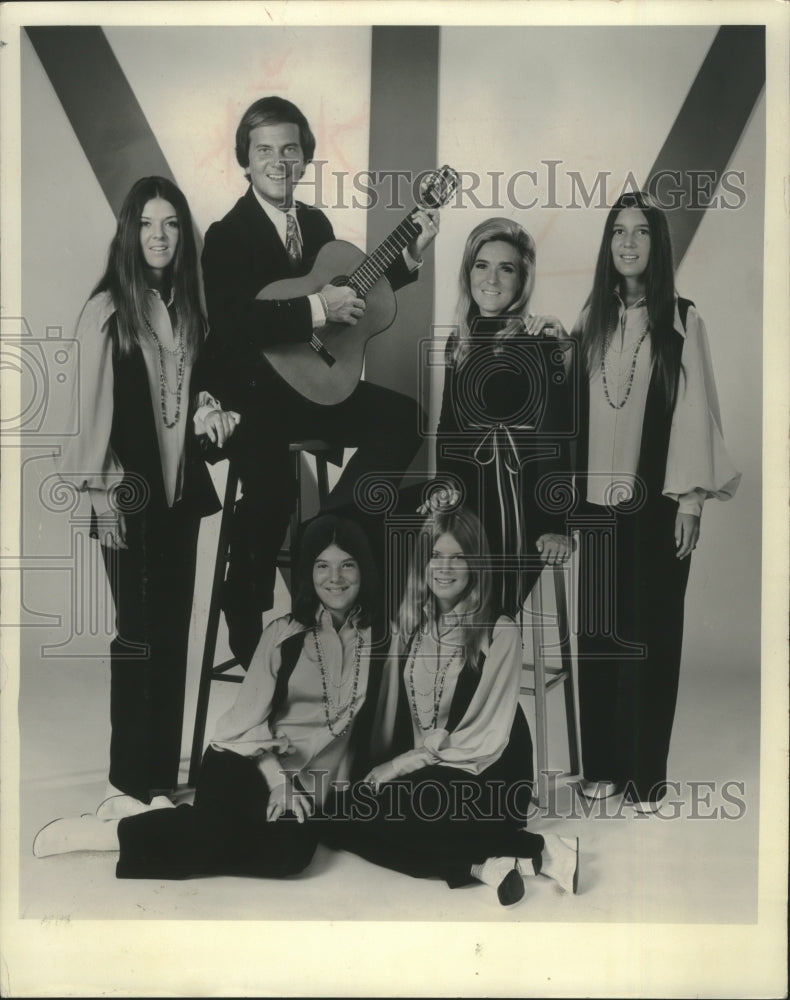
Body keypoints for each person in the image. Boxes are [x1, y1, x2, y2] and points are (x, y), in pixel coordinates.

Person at [200, 95, 440, 669]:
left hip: (313, 388)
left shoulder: (315, 225)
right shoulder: (225, 234)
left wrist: (405, 261)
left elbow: (351, 298)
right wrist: (315, 308)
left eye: (290, 149)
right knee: (274, 489)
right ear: (246, 159)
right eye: (265, 151)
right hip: (252, 396)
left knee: (402, 417)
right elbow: (237, 324)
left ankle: (333, 530)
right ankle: (246, 594)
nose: (279, 161)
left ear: (305, 158)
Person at [33, 515, 384, 880]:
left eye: (348, 565)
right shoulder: (285, 635)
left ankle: (159, 819)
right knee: (229, 831)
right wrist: (280, 783)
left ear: (365, 569)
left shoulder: (382, 641)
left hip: (313, 783)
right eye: (322, 566)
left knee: (288, 856)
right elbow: (241, 728)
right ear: (309, 574)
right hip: (246, 761)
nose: (335, 578)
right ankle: (109, 834)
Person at [54, 176, 239, 814]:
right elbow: (89, 412)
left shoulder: (191, 308)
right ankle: (127, 780)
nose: (158, 236)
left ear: (182, 235)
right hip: (125, 497)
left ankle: (162, 774)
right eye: (147, 225)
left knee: (172, 633)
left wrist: (213, 409)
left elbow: (194, 394)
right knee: (135, 635)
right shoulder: (108, 308)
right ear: (129, 234)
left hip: (180, 495)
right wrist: (101, 498)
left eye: (170, 225)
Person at [570, 191, 740, 812]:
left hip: (658, 502)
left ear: (657, 245)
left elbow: (697, 413)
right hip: (597, 504)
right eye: (619, 231)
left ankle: (644, 777)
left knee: (651, 634)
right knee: (597, 634)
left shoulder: (683, 319)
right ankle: (603, 769)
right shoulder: (592, 319)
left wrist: (691, 501)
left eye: (641, 232)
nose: (628, 243)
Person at [322, 508, 579, 906]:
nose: (445, 567)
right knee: (340, 813)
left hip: (486, 770)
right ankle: (495, 864)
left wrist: (399, 767)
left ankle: (531, 844)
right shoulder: (411, 624)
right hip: (429, 770)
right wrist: (368, 765)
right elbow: (391, 710)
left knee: (406, 809)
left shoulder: (500, 629)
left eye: (458, 557)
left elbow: (482, 739)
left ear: (475, 564)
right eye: (435, 556)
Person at [428, 218, 573, 617]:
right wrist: (445, 490)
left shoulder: (540, 340)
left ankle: (485, 670)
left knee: (487, 611)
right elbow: (449, 429)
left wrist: (556, 523)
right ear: (467, 273)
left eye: (505, 268)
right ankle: (432, 672)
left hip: (522, 507)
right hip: (468, 499)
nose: (491, 279)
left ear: (521, 280)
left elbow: (556, 438)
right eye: (481, 265)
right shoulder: (460, 339)